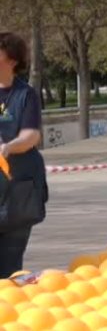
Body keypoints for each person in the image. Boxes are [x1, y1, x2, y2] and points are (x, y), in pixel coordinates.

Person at [0, 32, 48, 278]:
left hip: (19, 189)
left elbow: (31, 136)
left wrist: (8, 147)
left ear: (12, 60)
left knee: (9, 265)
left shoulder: (26, 95)